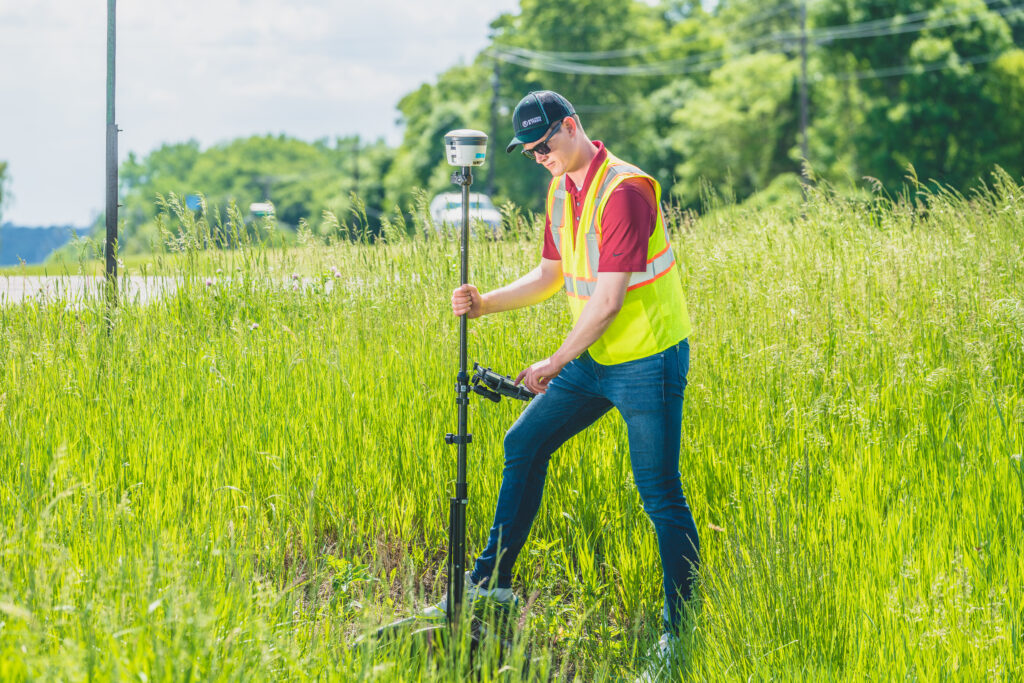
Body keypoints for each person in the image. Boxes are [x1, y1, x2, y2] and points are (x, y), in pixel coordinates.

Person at [430, 90, 700, 659]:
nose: (540, 157)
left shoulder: (625, 191)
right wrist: (485, 303)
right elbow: (552, 275)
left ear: (571, 127)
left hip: (647, 361)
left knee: (659, 495)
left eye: (544, 144)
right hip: (597, 361)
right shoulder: (562, 191)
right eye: (529, 152)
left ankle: (683, 632)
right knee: (524, 441)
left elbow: (606, 301)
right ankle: (491, 587)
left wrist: (553, 363)